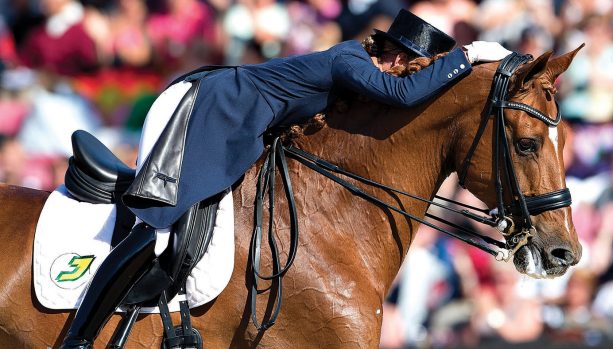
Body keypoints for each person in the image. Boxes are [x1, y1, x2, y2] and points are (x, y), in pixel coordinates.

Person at [59, 9, 512, 348]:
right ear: (392, 54)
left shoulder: (355, 70)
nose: (399, 72)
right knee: (159, 228)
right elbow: (400, 91)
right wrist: (469, 56)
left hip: (233, 120)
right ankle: (81, 335)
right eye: (404, 64)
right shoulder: (348, 58)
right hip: (204, 110)